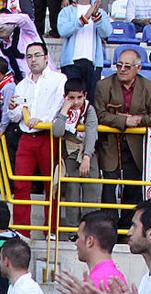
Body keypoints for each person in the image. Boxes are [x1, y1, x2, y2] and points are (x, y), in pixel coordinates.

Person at [95, 49, 151, 229]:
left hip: (136, 147)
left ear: (138, 67)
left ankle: (127, 229)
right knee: (109, 188)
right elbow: (99, 115)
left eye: (127, 66)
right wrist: (124, 120)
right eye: (119, 65)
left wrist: (138, 120)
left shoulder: (150, 88)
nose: (122, 69)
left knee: (132, 188)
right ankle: (108, 229)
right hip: (110, 144)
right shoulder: (103, 86)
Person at [10, 40, 65, 235]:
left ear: (46, 57)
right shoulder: (22, 85)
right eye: (29, 56)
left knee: (52, 184)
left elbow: (58, 106)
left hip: (47, 136)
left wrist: (41, 120)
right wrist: (13, 110)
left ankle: (51, 229)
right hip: (26, 136)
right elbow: (15, 115)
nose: (33, 60)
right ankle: (21, 230)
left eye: (37, 55)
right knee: (21, 183)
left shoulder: (59, 79)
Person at [51, 77, 100, 234]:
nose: (76, 101)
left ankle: (90, 230)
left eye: (79, 97)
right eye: (71, 98)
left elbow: (92, 132)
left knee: (91, 191)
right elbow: (57, 131)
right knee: (72, 192)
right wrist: (65, 111)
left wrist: (87, 156)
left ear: (85, 95)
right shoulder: (60, 109)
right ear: (65, 97)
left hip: (88, 153)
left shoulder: (89, 109)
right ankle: (73, 230)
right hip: (70, 153)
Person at [57, 0, 112, 101]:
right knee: (71, 100)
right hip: (71, 64)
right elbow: (63, 31)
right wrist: (84, 18)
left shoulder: (100, 12)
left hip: (93, 64)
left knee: (91, 100)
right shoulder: (66, 11)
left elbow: (106, 33)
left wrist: (96, 17)